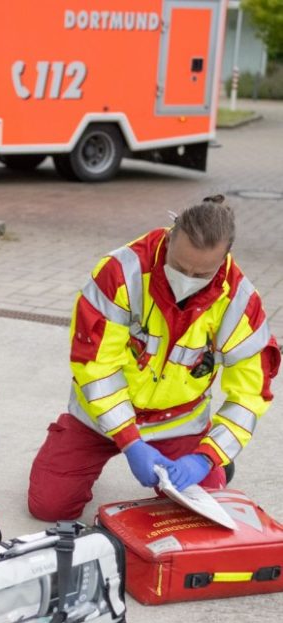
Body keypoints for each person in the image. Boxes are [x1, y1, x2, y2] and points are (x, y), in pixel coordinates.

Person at [27, 196, 279, 521]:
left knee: (199, 516)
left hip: (178, 423)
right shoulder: (120, 272)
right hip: (100, 416)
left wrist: (206, 457)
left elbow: (250, 396)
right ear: (170, 237)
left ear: (224, 259)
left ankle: (213, 462)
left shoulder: (241, 303)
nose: (188, 278)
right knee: (50, 506)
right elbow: (95, 365)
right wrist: (129, 440)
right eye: (180, 267)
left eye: (202, 273)